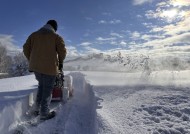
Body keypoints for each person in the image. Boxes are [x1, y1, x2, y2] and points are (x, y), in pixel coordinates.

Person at [23, 20, 67, 120]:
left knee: (41, 87)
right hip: (50, 68)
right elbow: (62, 52)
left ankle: (36, 109)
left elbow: (25, 48)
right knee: (47, 90)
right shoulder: (56, 37)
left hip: (36, 68)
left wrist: (32, 60)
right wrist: (60, 63)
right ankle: (44, 113)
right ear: (54, 28)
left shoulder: (33, 35)